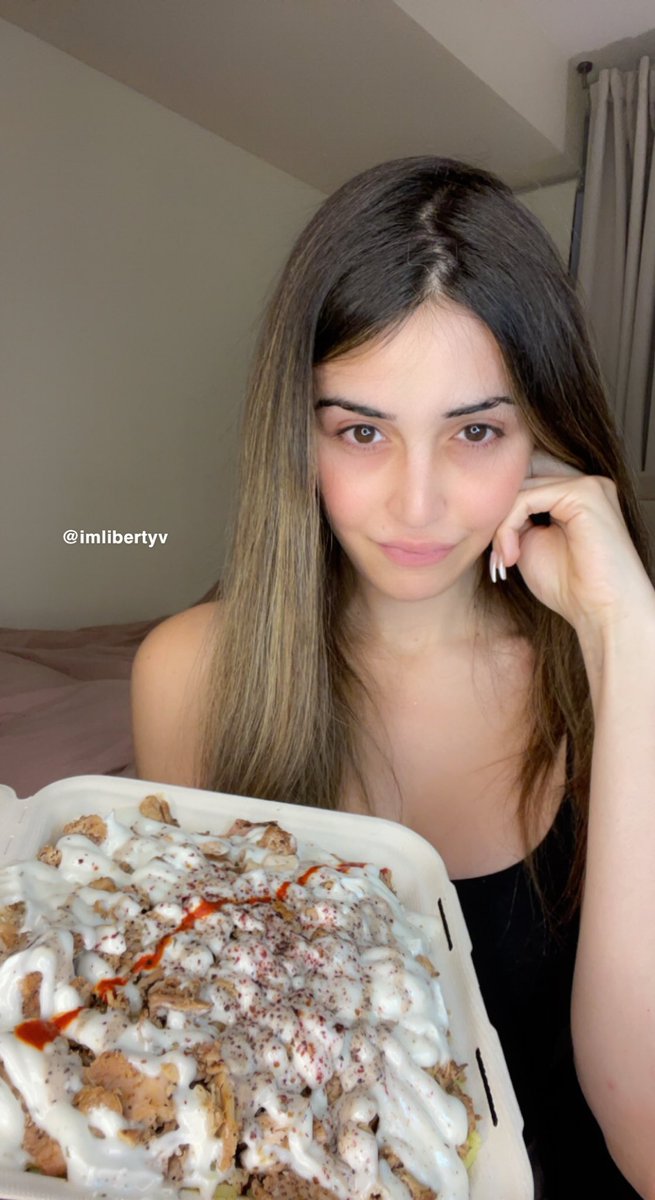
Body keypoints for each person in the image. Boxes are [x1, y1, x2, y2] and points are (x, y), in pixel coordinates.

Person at [130, 157, 655, 1198]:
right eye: (362, 431)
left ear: (544, 438)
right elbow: (199, 1066)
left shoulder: (618, 672)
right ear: (299, 435)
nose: (417, 506)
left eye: (475, 431)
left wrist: (623, 641)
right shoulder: (190, 673)